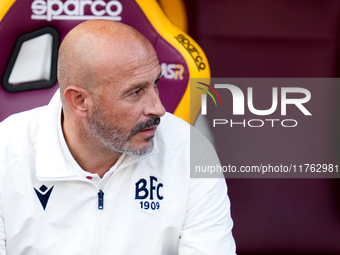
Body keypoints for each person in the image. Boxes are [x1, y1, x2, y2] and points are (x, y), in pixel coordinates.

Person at [0, 20, 236, 254]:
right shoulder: (6, 152)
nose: (159, 108)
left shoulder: (190, 150)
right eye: (135, 92)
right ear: (79, 101)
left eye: (155, 84)